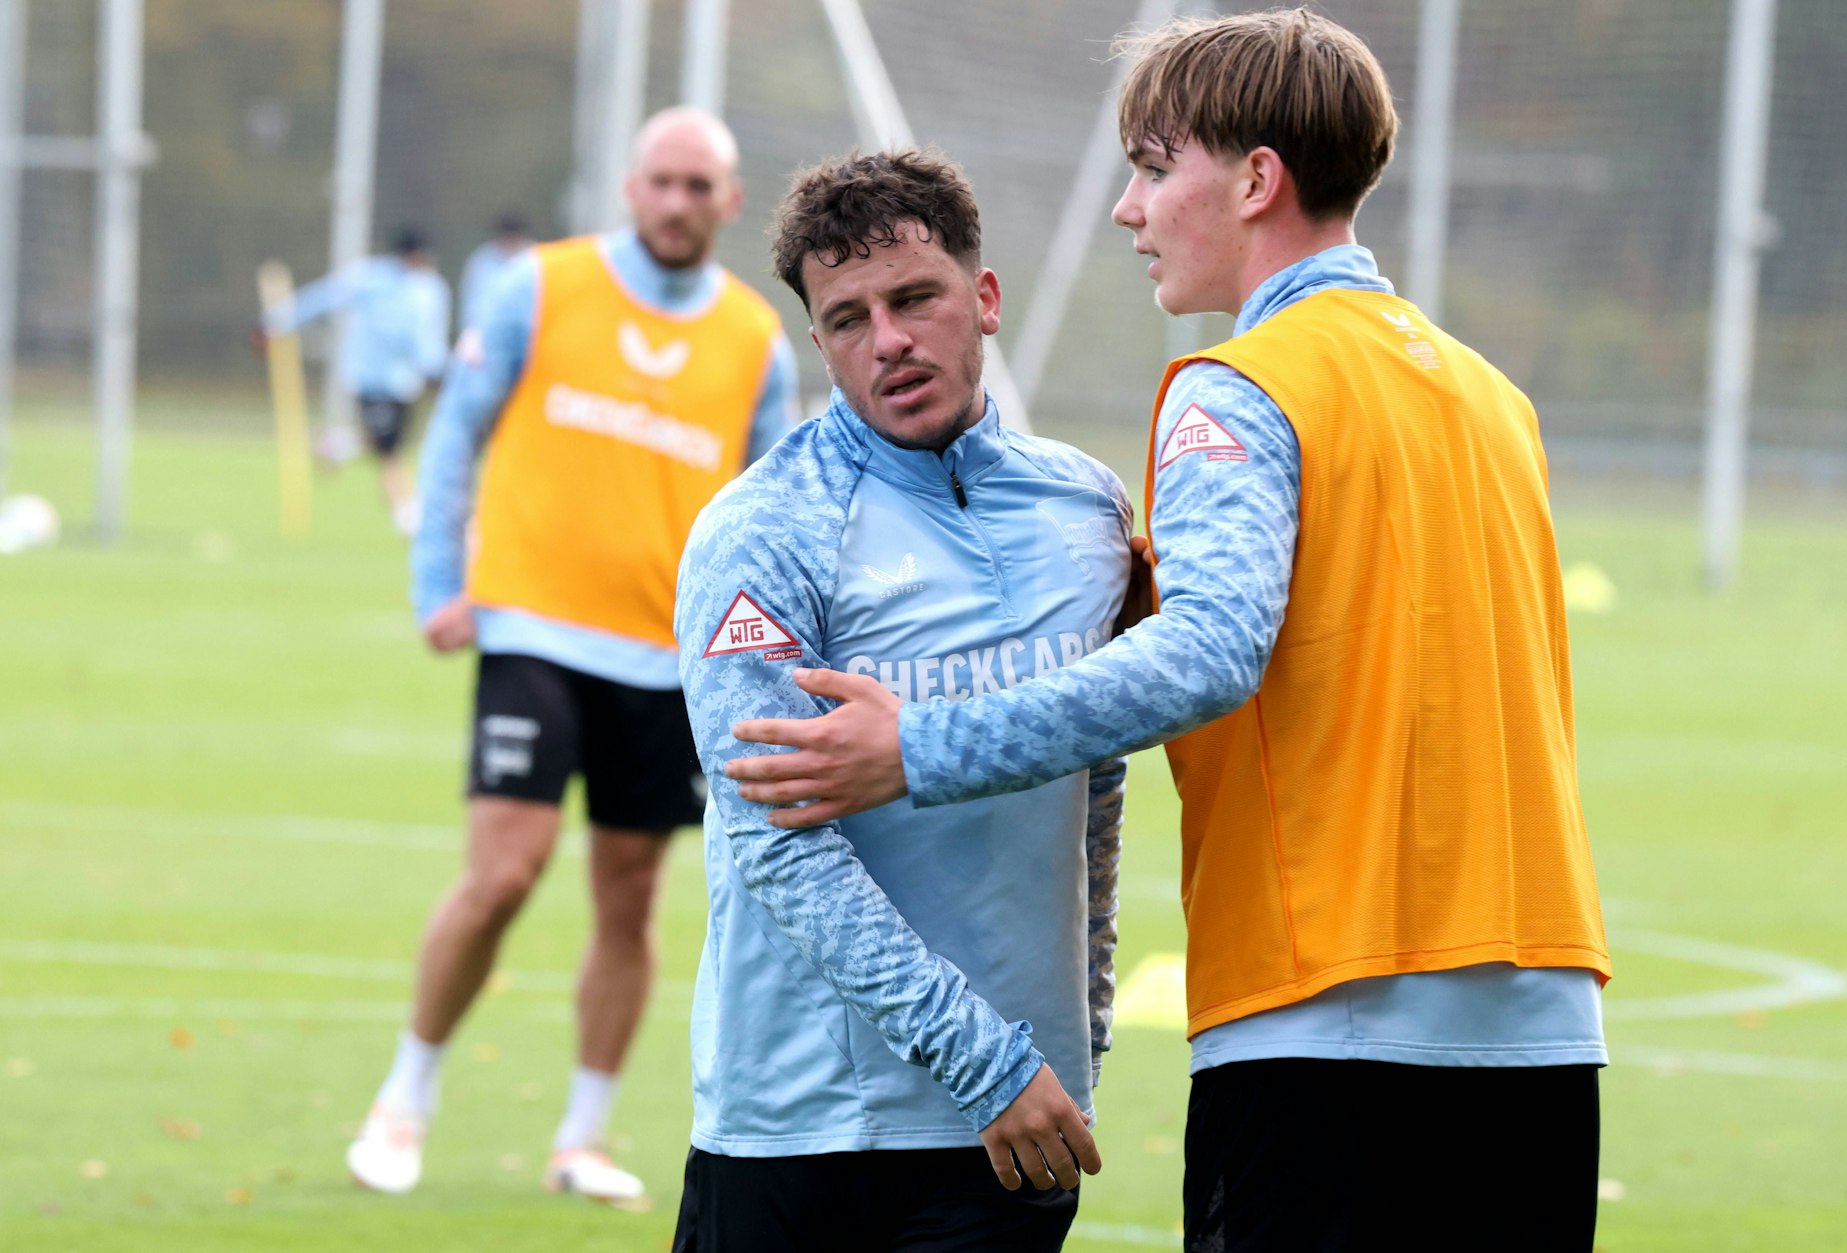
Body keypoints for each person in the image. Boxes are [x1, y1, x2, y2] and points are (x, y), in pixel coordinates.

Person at [723, 12, 1612, 1252]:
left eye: (1153, 167)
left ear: (1254, 180)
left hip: (1327, 1014)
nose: (1128, 210)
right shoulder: (1490, 397)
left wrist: (916, 745)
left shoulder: (1235, 389)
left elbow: (1205, 652)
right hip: (1545, 1019)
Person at [669, 149, 1130, 1252]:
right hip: (801, 1126)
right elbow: (778, 840)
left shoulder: (1087, 509)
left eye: (914, 297)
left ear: (981, 297)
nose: (887, 340)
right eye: (846, 318)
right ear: (818, 340)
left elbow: (1096, 785)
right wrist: (991, 1059)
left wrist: (1082, 1031)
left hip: (1012, 1132)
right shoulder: (762, 531)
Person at [344, 106, 800, 1205]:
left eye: (701, 186)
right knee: (502, 871)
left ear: (729, 202)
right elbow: (456, 431)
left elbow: (773, 516)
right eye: (662, 181)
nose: (680, 202)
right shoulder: (538, 288)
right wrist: (437, 585)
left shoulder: (757, 344)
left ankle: (581, 1137)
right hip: (530, 629)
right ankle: (404, 1097)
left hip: (665, 660)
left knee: (629, 899)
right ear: (630, 188)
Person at [263, 226, 451, 536]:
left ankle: (337, 445)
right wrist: (277, 321)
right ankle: (410, 523)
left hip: (407, 383)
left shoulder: (432, 289)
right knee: (390, 453)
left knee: (389, 443)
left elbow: (429, 338)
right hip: (372, 380)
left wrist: (440, 371)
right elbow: (323, 297)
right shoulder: (370, 277)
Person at [457, 212, 533, 337]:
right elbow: (473, 303)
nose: (508, 242)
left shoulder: (535, 258)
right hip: (488, 335)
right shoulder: (482, 261)